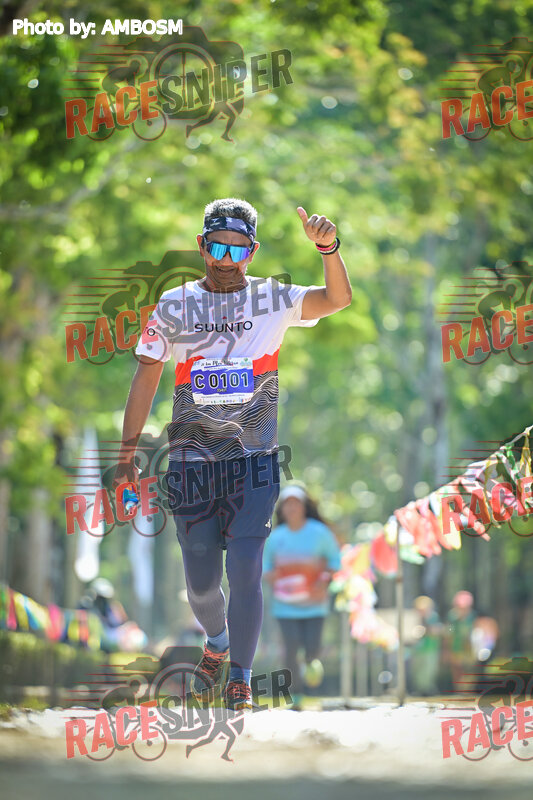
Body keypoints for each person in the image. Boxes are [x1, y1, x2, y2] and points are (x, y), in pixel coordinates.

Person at [113, 197, 351, 710]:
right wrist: (126, 456)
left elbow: (337, 299)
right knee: (201, 584)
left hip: (254, 461)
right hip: (191, 462)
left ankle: (240, 677)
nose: (226, 259)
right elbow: (146, 378)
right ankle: (217, 642)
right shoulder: (174, 305)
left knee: (245, 569)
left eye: (237, 250)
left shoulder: (272, 298)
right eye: (217, 247)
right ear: (201, 246)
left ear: (252, 252)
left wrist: (328, 249)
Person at [263, 485, 341, 709]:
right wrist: (271, 575)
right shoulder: (275, 537)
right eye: (287, 504)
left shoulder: (320, 533)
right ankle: (296, 695)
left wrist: (324, 580)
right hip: (284, 606)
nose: (292, 508)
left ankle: (311, 663)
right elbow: (265, 566)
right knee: (290, 648)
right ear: (281, 510)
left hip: (315, 605)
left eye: (296, 503)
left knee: (312, 649)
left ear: (305, 507)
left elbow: (335, 561)